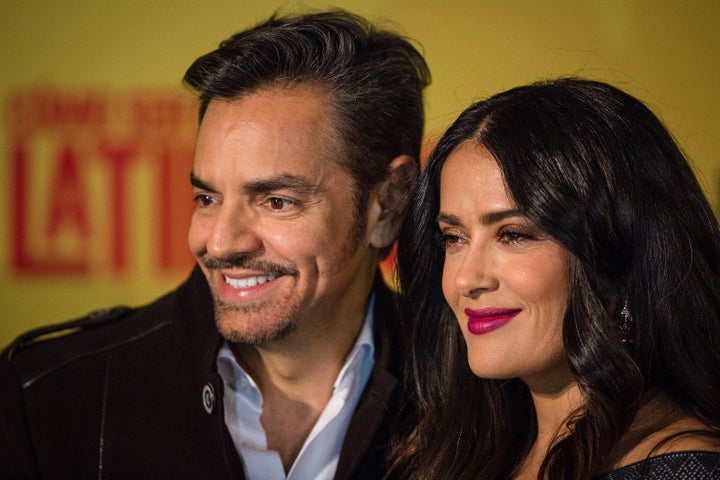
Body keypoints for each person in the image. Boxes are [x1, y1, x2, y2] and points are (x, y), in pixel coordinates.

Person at [0, 10, 430, 479]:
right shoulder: (44, 399)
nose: (219, 242)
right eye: (207, 197)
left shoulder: (477, 396)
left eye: (276, 201)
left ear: (387, 205)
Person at [389, 78, 720, 479]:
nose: (465, 279)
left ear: (619, 250)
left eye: (512, 235)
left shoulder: (682, 468)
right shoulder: (451, 449)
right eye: (454, 238)